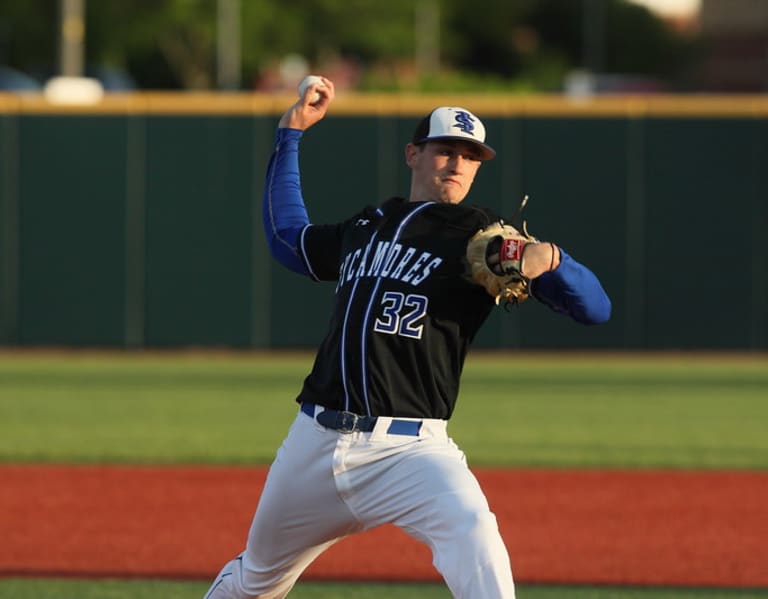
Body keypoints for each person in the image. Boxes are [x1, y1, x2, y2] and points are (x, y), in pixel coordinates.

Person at [204, 77, 611, 599]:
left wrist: (555, 262)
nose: (458, 163)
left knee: (477, 539)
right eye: (446, 150)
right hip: (313, 442)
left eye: (471, 155)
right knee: (256, 579)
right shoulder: (368, 224)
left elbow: (595, 310)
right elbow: (289, 241)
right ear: (414, 154)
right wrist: (290, 136)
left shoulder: (484, 234)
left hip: (411, 452)